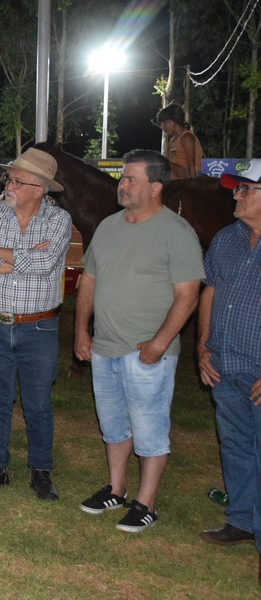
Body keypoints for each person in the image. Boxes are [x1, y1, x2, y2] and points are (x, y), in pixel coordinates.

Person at [75, 149, 204, 531]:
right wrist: (82, 330)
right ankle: (116, 488)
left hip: (147, 353)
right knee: (113, 424)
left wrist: (160, 344)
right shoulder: (108, 226)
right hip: (105, 347)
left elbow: (188, 294)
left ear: (156, 187)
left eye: (132, 179)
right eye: (123, 178)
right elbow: (89, 281)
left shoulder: (176, 232)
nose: (123, 185)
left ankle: (146, 503)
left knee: (150, 429)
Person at [0, 147, 71, 501]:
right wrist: (24, 258)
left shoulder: (58, 221)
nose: (9, 184)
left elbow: (46, 265)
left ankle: (41, 470)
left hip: (38, 328)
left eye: (17, 180)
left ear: (39, 188)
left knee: (38, 403)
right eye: (11, 178)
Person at [196, 160, 261, 577]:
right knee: (236, 444)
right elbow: (210, 290)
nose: (235, 196)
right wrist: (202, 346)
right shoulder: (227, 238)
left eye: (246, 190)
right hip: (224, 364)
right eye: (236, 189)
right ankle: (241, 520)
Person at [155, 103, 203, 179]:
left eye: (162, 123)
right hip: (176, 170)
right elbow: (167, 160)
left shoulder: (187, 138)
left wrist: (193, 184)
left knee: (164, 168)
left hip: (191, 172)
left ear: (170, 122)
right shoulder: (172, 140)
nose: (162, 127)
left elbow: (192, 164)